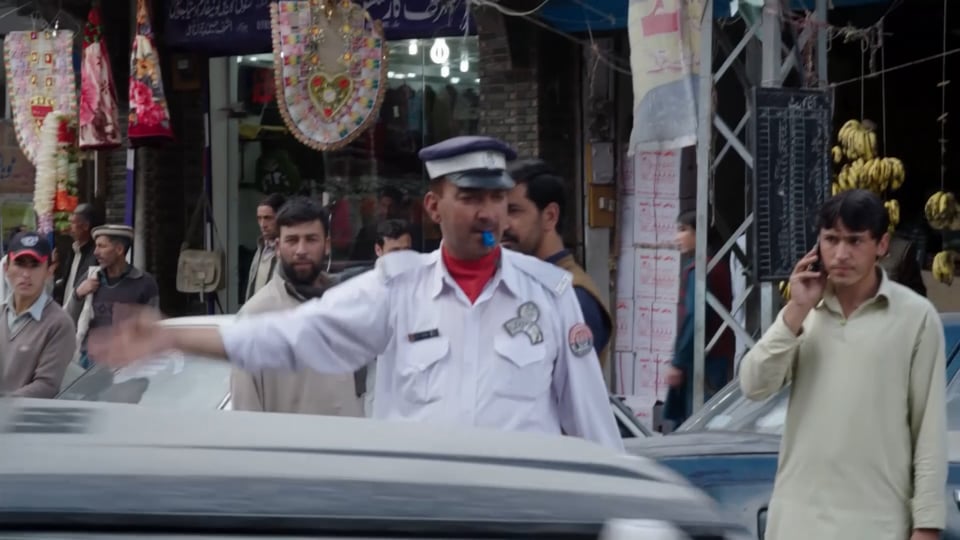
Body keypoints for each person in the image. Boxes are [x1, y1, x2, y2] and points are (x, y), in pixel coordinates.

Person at [89, 135, 623, 452]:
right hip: (421, 520)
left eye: (497, 198)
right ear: (434, 208)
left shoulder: (551, 296)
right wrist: (173, 338)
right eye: (470, 197)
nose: (487, 213)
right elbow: (289, 337)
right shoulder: (397, 289)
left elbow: (593, 426)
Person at [739, 189, 946, 540]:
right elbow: (754, 385)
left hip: (877, 525)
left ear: (882, 245)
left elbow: (928, 432)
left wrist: (926, 527)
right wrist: (795, 310)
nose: (841, 254)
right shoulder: (804, 314)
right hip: (797, 525)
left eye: (854, 241)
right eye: (830, 240)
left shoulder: (916, 318)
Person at [230, 197, 364, 416]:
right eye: (292, 240)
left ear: (327, 245)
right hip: (288, 448)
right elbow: (245, 412)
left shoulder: (347, 307)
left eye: (311, 239)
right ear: (277, 246)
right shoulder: (254, 317)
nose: (301, 250)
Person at [502, 159, 612, 365]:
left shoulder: (575, 296)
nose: (502, 224)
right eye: (499, 212)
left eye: (513, 211)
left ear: (550, 216)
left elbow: (577, 389)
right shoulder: (517, 281)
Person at [663, 210, 734, 427]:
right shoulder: (716, 265)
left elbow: (694, 315)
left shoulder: (699, 270)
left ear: (699, 233)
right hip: (714, 354)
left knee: (698, 423)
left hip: (704, 358)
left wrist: (678, 361)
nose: (678, 237)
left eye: (684, 230)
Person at [0, 231, 77, 397]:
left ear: (49, 271)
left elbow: (46, 386)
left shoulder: (58, 324)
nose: (26, 274)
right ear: (7, 268)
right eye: (19, 264)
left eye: (35, 265)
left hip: (26, 420)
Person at [74, 225, 159, 368]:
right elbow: (68, 316)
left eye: (102, 246)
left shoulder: (145, 283)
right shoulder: (90, 278)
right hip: (89, 362)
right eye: (96, 246)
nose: (96, 252)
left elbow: (152, 328)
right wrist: (78, 293)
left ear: (119, 250)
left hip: (127, 364)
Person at [359, 218, 414, 416]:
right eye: (394, 252)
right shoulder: (362, 290)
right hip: (375, 386)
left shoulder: (422, 284)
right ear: (378, 250)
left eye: (405, 250)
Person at [58, 204, 103, 316]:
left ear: (85, 226)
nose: (69, 227)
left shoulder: (96, 256)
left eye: (73, 223)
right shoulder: (73, 251)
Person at [245, 193, 287, 302]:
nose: (263, 224)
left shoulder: (288, 252)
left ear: (281, 218)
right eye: (259, 218)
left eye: (268, 218)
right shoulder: (261, 247)